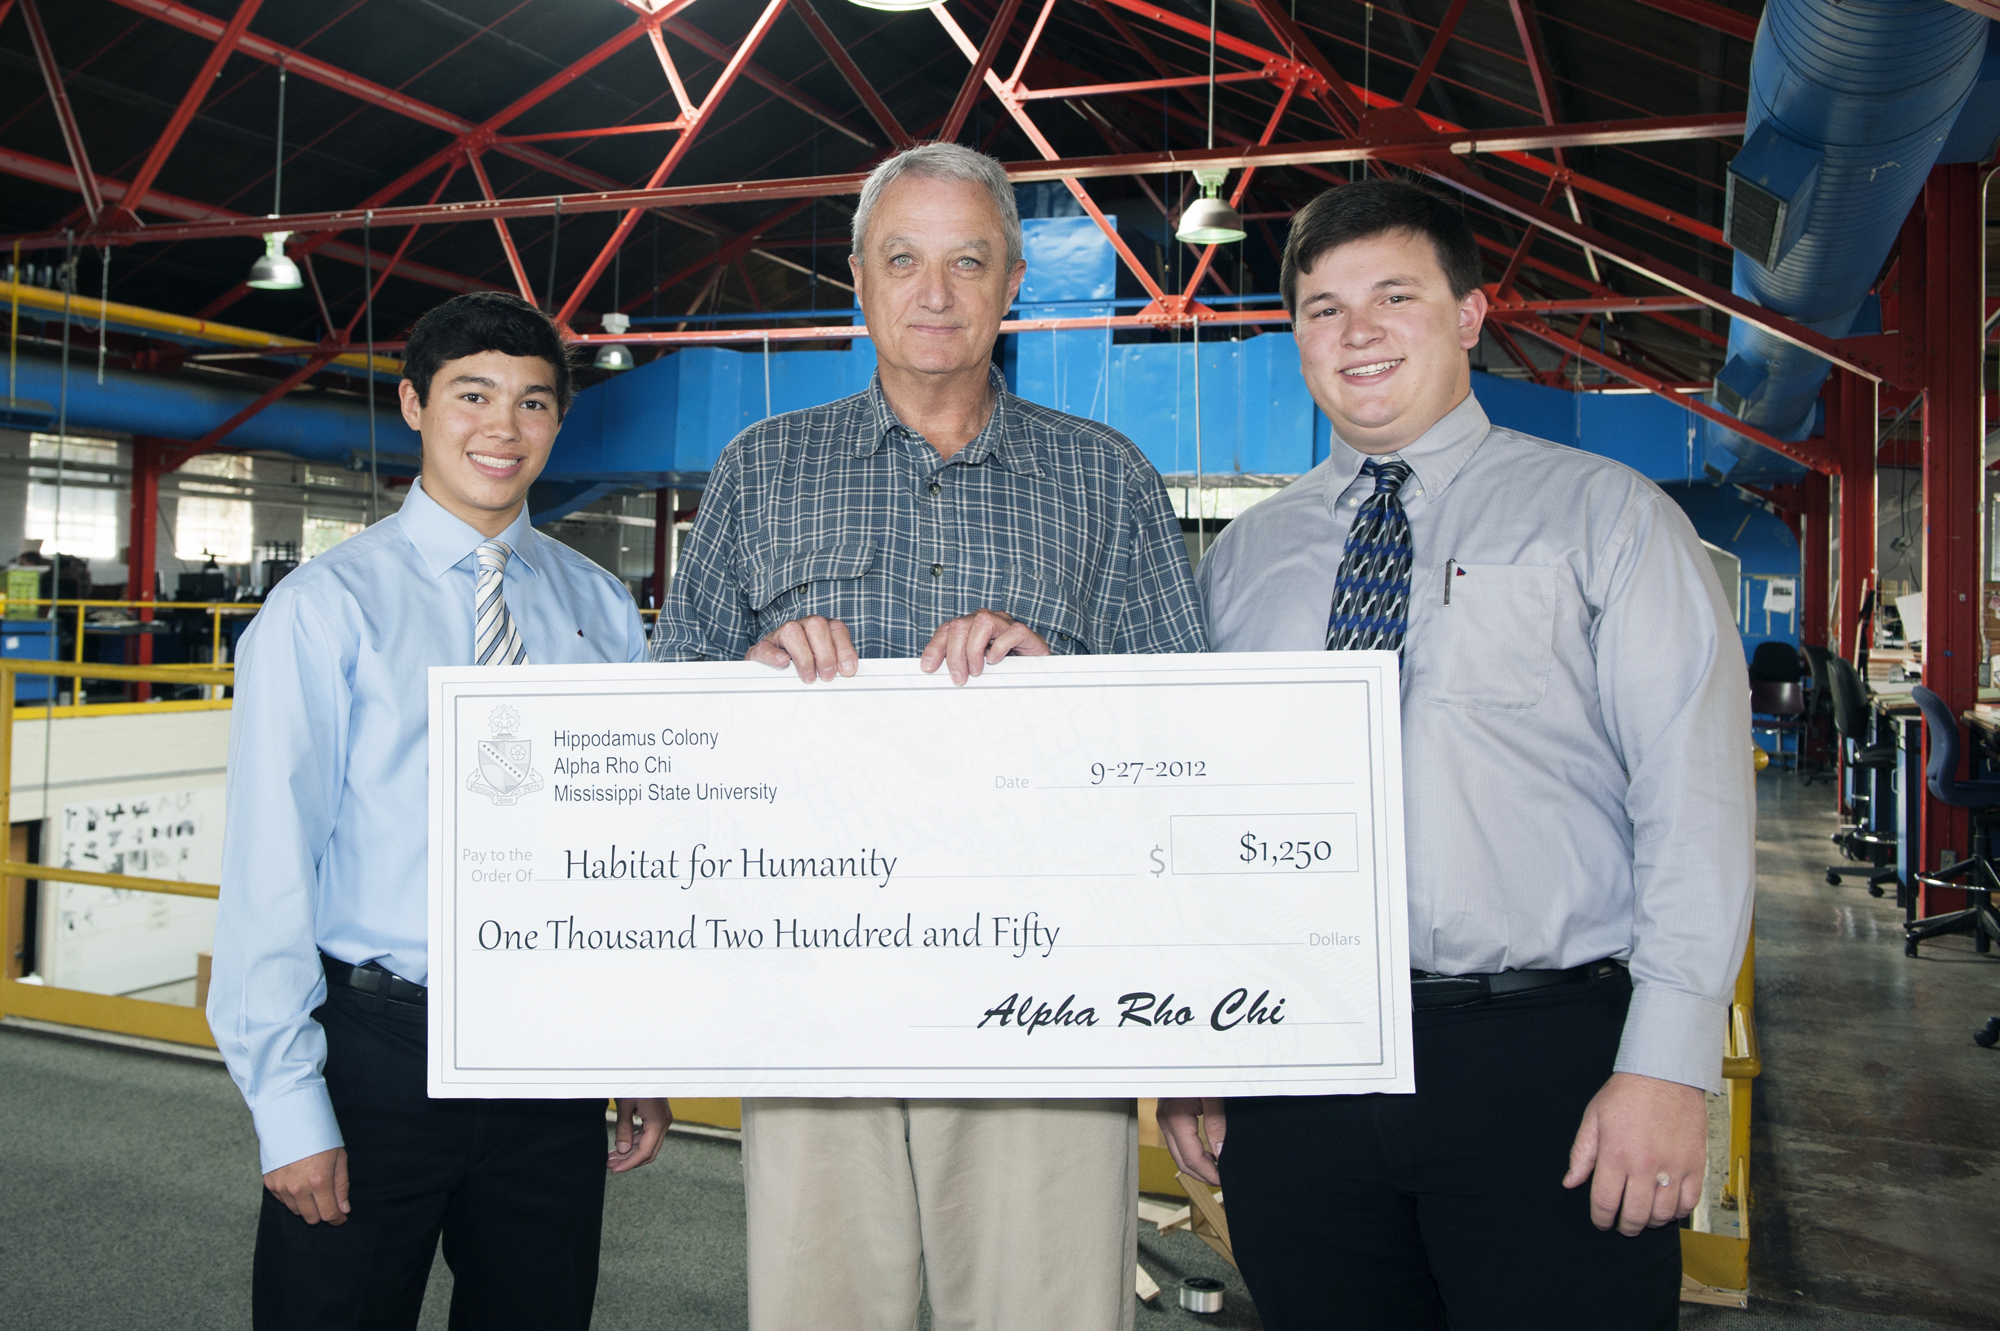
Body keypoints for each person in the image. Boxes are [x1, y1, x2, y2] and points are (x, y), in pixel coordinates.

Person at [1159, 181, 1753, 1329]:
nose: (1357, 331)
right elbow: (1204, 816)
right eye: (1322, 309)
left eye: (1393, 294)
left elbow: (1694, 806)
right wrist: (1196, 1040)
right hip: (1298, 1056)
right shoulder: (1245, 557)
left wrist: (1667, 1063)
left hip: (1541, 1057)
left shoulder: (1605, 518)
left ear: (1471, 314)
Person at [649, 142, 1206, 1331]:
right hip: (815, 993)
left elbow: (1184, 736)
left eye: (968, 261)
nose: (934, 292)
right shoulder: (760, 470)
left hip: (1043, 999)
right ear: (858, 279)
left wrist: (1067, 690)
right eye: (902, 259)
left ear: (1013, 283)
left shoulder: (1105, 478)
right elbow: (669, 716)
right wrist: (745, 689)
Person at [208, 291, 670, 1330]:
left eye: (533, 402)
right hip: (377, 1049)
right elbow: (271, 869)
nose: (502, 429)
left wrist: (629, 1041)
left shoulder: (596, 608)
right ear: (414, 404)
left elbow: (618, 845)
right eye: (472, 395)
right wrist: (289, 1108)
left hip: (548, 1050)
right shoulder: (325, 610)